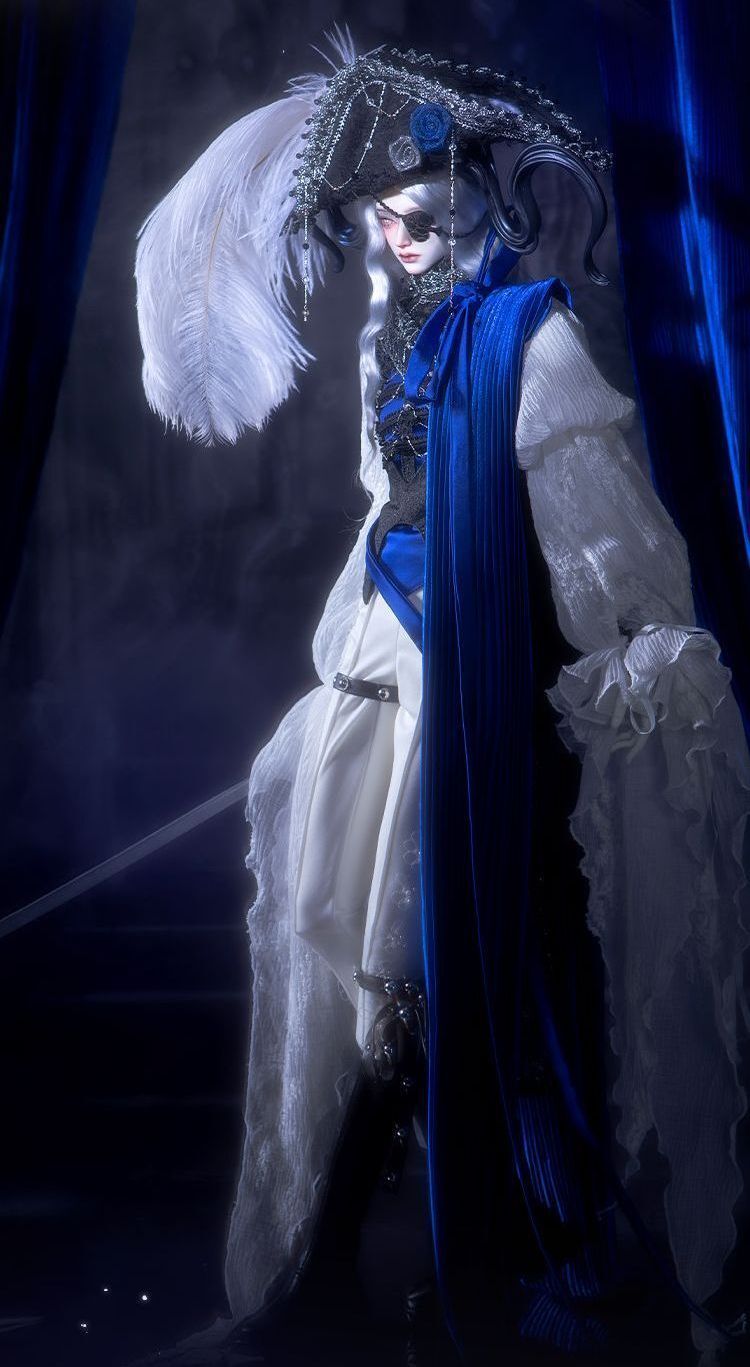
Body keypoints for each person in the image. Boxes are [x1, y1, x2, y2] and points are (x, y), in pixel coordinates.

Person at [135, 32, 750, 1362]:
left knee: (478, 981)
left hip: (481, 710)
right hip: (392, 687)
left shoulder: (533, 343)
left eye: (425, 217)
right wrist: (356, 659)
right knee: (382, 978)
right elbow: (390, 518)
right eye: (384, 221)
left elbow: (598, 540)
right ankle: (376, 1264)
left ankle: (552, 1266)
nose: (400, 240)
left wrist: (635, 662)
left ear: (480, 208)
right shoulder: (398, 345)